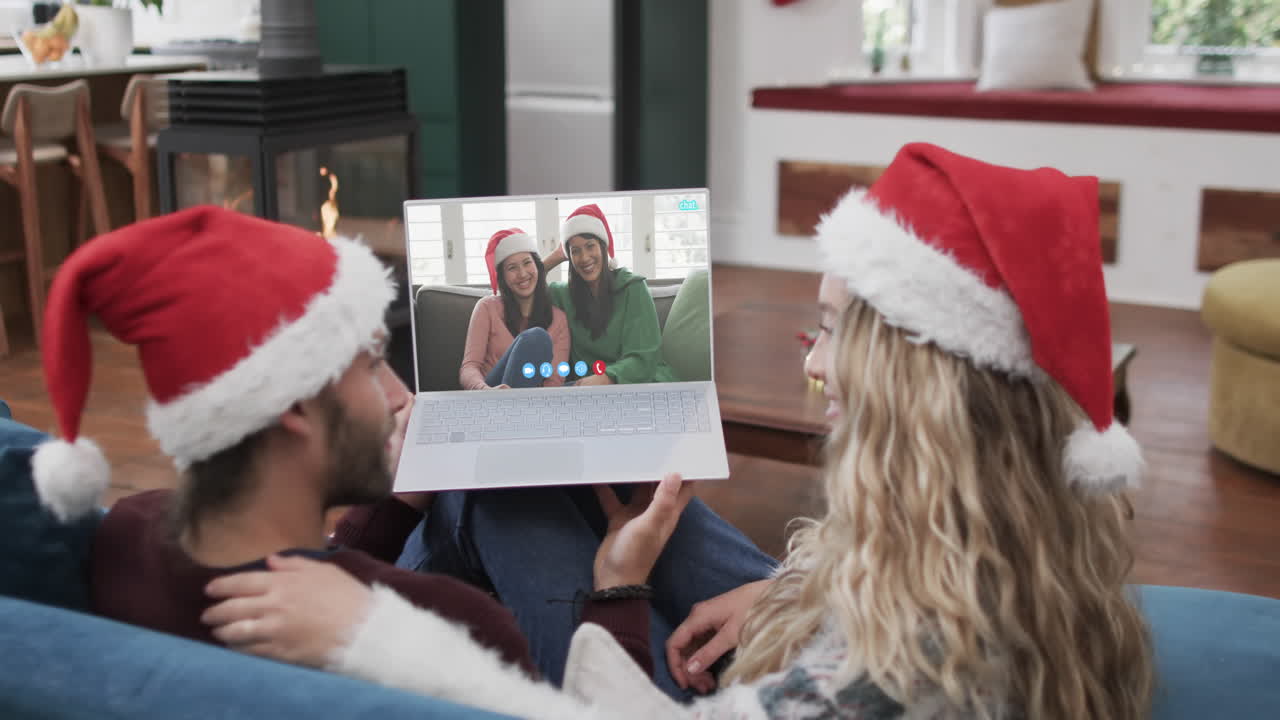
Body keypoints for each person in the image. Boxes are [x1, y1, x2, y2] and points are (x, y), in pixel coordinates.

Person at [203, 143, 1155, 719]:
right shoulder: (1009, 545)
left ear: (922, 387)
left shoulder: (886, 673)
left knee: (503, 501)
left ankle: (403, 550)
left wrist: (613, 588)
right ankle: (421, 530)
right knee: (536, 485)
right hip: (771, 639)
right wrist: (798, 595)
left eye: (827, 331)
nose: (811, 362)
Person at [27, 206, 686, 717]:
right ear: (294, 408)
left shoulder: (124, 534)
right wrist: (619, 587)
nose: (402, 395)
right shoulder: (446, 631)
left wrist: (401, 504)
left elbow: (326, 560)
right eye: (374, 366)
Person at [543, 203, 676, 385]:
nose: (584, 258)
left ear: (604, 247)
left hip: (642, 383)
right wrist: (556, 255)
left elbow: (644, 358)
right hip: (588, 390)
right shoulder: (563, 295)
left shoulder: (633, 287)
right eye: (575, 251)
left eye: (590, 246)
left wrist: (606, 378)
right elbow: (521, 289)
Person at [458, 228, 569, 390]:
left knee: (579, 389)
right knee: (536, 338)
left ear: (538, 266)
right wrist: (485, 391)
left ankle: (516, 410)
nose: (522, 274)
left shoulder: (559, 319)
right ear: (502, 277)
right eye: (512, 268)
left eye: (527, 263)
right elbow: (469, 367)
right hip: (490, 396)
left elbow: (554, 382)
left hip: (532, 401)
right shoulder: (487, 308)